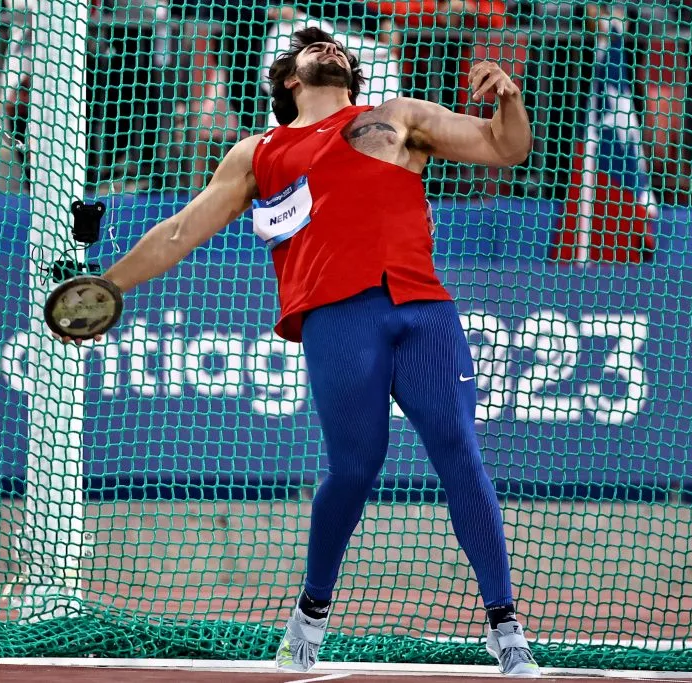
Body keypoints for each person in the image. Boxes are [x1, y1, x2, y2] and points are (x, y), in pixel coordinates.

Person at [51, 26, 539, 678]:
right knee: (354, 468)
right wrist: (108, 285)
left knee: (460, 449)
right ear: (288, 77)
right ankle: (310, 613)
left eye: (337, 47)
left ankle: (506, 628)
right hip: (337, 318)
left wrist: (507, 97)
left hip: (424, 310)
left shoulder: (397, 119)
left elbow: (505, 147)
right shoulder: (259, 152)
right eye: (314, 46)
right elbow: (179, 231)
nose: (329, 47)